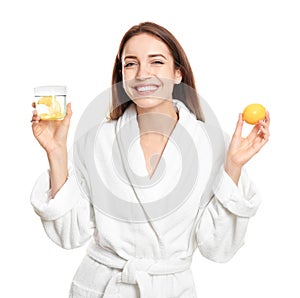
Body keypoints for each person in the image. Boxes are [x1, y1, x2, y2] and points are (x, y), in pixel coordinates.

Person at [31, 22, 270, 298]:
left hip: (170, 289)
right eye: (130, 64)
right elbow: (68, 235)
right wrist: (56, 151)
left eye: (156, 62)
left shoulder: (214, 144)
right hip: (102, 288)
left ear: (177, 73)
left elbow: (219, 248)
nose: (142, 74)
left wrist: (234, 167)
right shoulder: (97, 140)